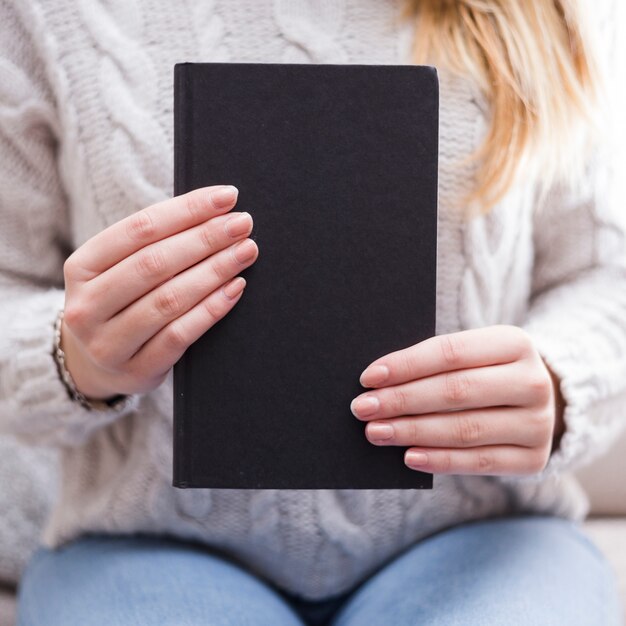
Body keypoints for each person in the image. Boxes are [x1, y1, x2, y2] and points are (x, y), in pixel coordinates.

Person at [1, 0, 624, 624]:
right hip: (148, 546)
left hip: (481, 539)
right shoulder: (48, 15)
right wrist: (68, 358)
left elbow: (605, 279)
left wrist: (559, 383)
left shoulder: (549, 11)